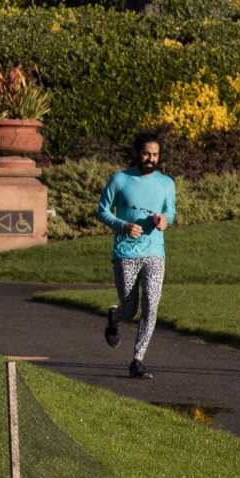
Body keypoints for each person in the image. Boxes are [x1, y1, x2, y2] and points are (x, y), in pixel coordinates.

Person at [96, 130, 177, 379]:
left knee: (151, 305)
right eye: (146, 153)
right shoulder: (120, 180)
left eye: (155, 154)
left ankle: (138, 359)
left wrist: (164, 220)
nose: (151, 158)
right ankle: (114, 316)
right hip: (126, 253)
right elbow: (102, 210)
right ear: (137, 154)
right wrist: (123, 226)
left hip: (154, 253)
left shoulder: (166, 183)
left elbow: (170, 212)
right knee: (130, 309)